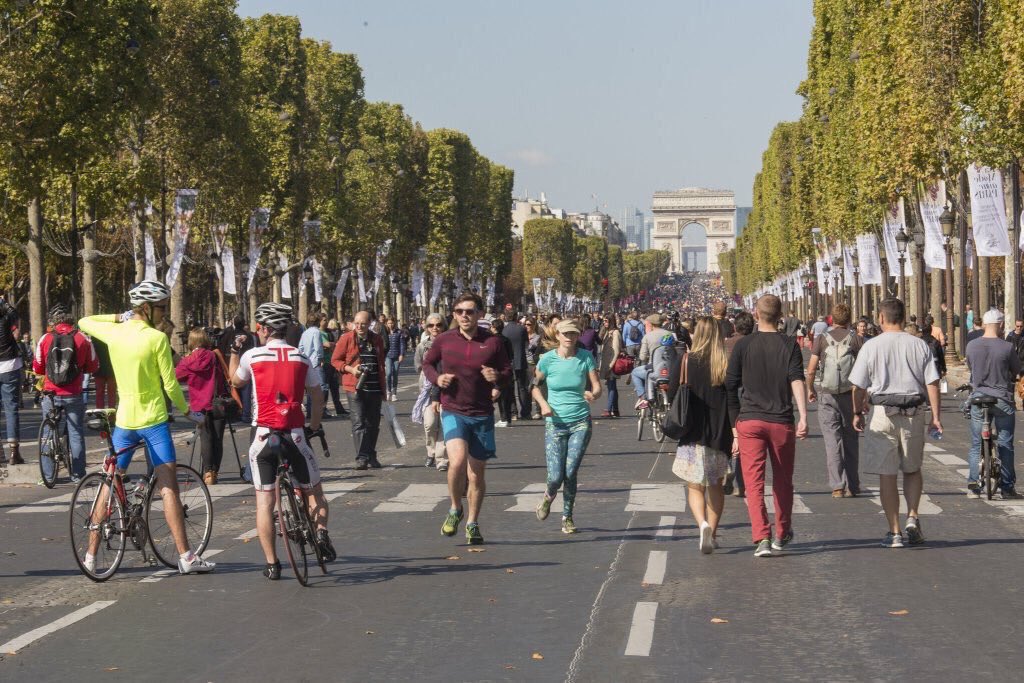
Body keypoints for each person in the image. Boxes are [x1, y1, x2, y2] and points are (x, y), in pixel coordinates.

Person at [78, 280, 216, 574]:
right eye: (161, 308)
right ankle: (186, 557)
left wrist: (119, 317)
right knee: (169, 488)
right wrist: (189, 411)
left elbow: (84, 321)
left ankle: (90, 556)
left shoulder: (114, 333)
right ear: (146, 308)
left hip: (124, 421)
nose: (164, 314)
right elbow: (170, 384)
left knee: (109, 481)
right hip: (153, 422)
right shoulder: (156, 340)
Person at [228, 302, 335, 580]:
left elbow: (235, 382)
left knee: (264, 503)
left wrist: (233, 353)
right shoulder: (301, 357)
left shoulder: (251, 356)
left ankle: (273, 564)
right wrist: (312, 425)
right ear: (286, 329)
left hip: (263, 436)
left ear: (263, 329)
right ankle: (321, 533)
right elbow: (317, 394)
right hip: (295, 434)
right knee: (315, 493)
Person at [849, 297, 941, 548]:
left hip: (881, 412)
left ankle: (895, 532)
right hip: (913, 411)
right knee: (912, 469)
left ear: (880, 318)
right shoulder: (919, 345)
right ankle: (912, 515)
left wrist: (857, 411)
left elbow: (857, 385)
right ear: (903, 317)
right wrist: (935, 417)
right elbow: (932, 382)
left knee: (887, 475)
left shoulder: (871, 346)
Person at [422, 292, 510, 546]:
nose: (463, 315)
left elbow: (506, 372)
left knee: (476, 475)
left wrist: (497, 377)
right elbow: (428, 365)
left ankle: (472, 522)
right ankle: (453, 508)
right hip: (453, 409)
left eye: (469, 311)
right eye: (459, 311)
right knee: (457, 461)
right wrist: (437, 380)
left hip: (482, 412)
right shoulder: (444, 340)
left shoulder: (493, 343)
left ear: (480, 314)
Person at [725, 295, 808, 558]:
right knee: (783, 480)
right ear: (780, 315)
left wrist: (735, 427)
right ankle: (782, 534)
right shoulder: (789, 344)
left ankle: (761, 537)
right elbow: (797, 380)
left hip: (750, 420)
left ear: (756, 314)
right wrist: (804, 416)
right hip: (781, 420)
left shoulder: (743, 345)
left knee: (753, 482)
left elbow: (730, 385)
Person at [532, 319, 601, 534]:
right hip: (555, 423)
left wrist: (594, 394)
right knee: (555, 477)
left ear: (578, 335)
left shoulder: (585, 358)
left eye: (573, 334)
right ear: (558, 335)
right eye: (565, 334)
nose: (569, 338)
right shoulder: (546, 360)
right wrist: (543, 403)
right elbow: (533, 387)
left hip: (580, 421)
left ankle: (567, 517)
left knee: (570, 473)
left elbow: (597, 385)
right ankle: (548, 496)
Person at [672, 317, 732, 554]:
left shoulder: (687, 360)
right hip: (719, 432)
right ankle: (713, 533)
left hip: (691, 433)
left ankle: (702, 524)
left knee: (694, 486)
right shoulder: (725, 363)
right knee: (715, 485)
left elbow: (674, 389)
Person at [33, 304, 98, 483]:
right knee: (75, 433)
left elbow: (37, 366)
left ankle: (47, 475)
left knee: (47, 432)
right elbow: (93, 366)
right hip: (73, 392)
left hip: (50, 392)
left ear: (55, 322)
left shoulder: (45, 338)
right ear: (72, 322)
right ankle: (78, 476)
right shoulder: (82, 338)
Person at [805, 303, 863, 498]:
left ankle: (837, 485)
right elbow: (864, 372)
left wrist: (811, 389)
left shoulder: (822, 339)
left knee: (832, 440)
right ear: (848, 320)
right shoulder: (856, 340)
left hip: (827, 393)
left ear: (832, 319)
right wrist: (864, 399)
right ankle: (853, 485)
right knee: (851, 440)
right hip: (850, 394)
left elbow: (811, 369)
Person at [964, 309, 1021, 499]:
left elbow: (971, 368)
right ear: (1001, 325)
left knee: (975, 442)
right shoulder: (1006, 347)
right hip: (1002, 399)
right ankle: (1006, 487)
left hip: (979, 397)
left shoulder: (971, 345)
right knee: (1005, 443)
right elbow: (1017, 370)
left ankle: (973, 480)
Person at [332, 310, 387, 470]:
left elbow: (381, 364)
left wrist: (384, 389)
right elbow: (335, 360)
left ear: (370, 323)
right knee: (359, 422)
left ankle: (371, 454)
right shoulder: (346, 338)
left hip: (375, 387)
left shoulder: (376, 339)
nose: (359, 326)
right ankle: (362, 457)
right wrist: (350, 369)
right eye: (357, 323)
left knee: (373, 423)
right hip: (355, 387)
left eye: (363, 323)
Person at [175, 328, 227, 486]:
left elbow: (176, 376)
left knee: (206, 438)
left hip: (199, 404)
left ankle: (207, 471)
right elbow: (223, 376)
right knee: (218, 439)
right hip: (217, 401)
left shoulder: (188, 361)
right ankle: (215, 471)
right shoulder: (214, 356)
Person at [413, 313, 448, 470]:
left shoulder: (450, 343)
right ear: (426, 328)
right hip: (427, 391)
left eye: (438, 325)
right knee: (430, 424)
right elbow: (419, 366)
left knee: (444, 424)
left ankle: (441, 459)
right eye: (431, 325)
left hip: (447, 389)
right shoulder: (422, 346)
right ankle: (431, 451)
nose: (435, 328)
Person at [630, 313, 673, 410]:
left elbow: (642, 357)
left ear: (651, 324)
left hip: (654, 368)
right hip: (669, 368)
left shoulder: (648, 336)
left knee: (635, 373)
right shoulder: (669, 334)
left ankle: (643, 397)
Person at [218, 314, 256, 424]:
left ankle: (234, 414)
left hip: (232, 365)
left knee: (233, 390)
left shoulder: (228, 334)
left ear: (234, 323)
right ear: (244, 324)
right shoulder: (249, 336)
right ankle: (246, 415)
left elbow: (222, 348)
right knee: (246, 391)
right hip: (246, 366)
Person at [0, 294, 24, 464]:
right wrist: (3, 302)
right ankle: (14, 452)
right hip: (9, 365)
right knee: (11, 408)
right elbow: (15, 313)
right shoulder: (6, 318)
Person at [501, 311, 530, 421]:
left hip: (508, 361)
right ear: (516, 317)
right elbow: (526, 343)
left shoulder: (504, 330)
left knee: (510, 388)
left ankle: (513, 412)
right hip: (521, 361)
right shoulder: (522, 329)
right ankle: (525, 412)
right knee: (522, 388)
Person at [299, 311, 327, 418]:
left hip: (306, 362)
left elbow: (300, 347)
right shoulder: (316, 332)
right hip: (315, 362)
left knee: (310, 387)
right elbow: (318, 347)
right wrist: (320, 358)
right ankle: (320, 410)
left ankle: (310, 411)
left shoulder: (305, 333)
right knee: (321, 386)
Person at [598, 312, 622, 418]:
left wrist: (611, 364)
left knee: (611, 387)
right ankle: (615, 409)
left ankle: (608, 409)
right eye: (603, 321)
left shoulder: (615, 333)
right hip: (606, 361)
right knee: (612, 386)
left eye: (606, 321)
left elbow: (616, 350)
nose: (604, 323)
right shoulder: (607, 332)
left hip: (611, 362)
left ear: (611, 321)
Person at [383, 318, 406, 402]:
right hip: (387, 356)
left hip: (396, 356)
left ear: (394, 323)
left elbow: (402, 344)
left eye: (392, 323)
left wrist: (401, 354)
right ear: (386, 324)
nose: (390, 325)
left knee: (395, 374)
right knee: (388, 373)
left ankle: (394, 393)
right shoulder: (385, 332)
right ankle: (388, 391)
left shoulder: (399, 332)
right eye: (389, 323)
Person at [525, 317, 543, 419]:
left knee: (535, 387)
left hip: (534, 365)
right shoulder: (523, 336)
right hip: (524, 365)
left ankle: (538, 411)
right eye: (525, 324)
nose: (527, 326)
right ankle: (526, 412)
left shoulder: (537, 337)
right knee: (526, 389)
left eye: (529, 325)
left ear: (534, 325)